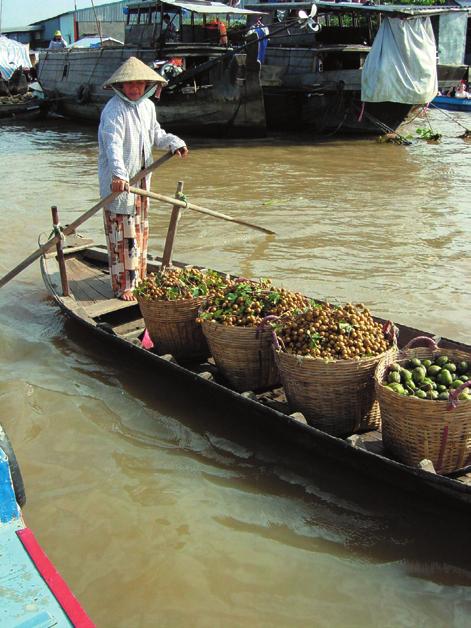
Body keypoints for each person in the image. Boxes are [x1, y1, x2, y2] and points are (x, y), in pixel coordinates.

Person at [98, 56, 189, 301]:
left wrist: (174, 143)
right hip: (120, 184)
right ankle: (124, 285)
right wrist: (118, 175)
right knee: (123, 234)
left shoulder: (147, 106)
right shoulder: (114, 110)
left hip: (141, 181)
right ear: (120, 86)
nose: (134, 88)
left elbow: (155, 134)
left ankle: (138, 276)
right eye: (129, 84)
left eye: (139, 84)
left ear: (147, 85)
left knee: (139, 231)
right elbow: (112, 145)